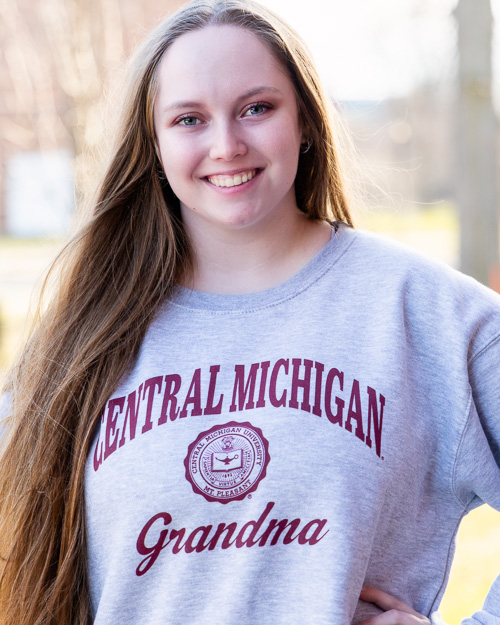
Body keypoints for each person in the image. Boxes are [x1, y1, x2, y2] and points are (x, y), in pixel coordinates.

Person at [0, 0, 499, 623]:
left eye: (257, 108)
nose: (227, 145)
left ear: (306, 121)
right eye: (188, 119)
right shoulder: (87, 334)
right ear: (151, 144)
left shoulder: (427, 317)